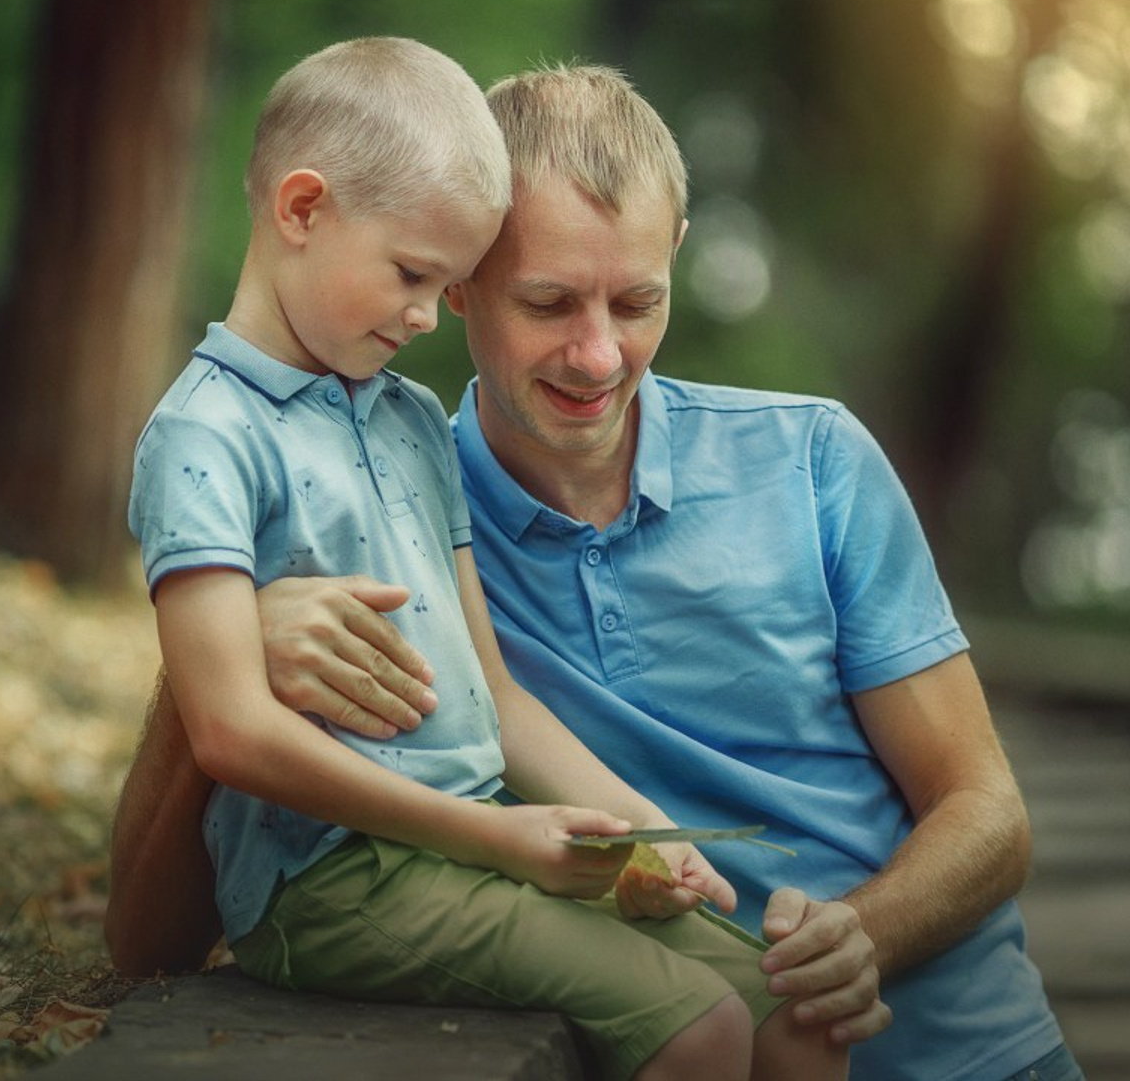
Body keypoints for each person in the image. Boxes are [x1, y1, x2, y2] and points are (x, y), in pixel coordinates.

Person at [108, 60, 1081, 1081]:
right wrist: (230, 645)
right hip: (683, 1015)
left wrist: (861, 931)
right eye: (548, 301)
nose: (599, 354)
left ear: (676, 259)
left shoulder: (812, 457)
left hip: (977, 1055)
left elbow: (987, 811)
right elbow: (148, 939)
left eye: (635, 301)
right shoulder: (384, 492)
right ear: (468, 274)